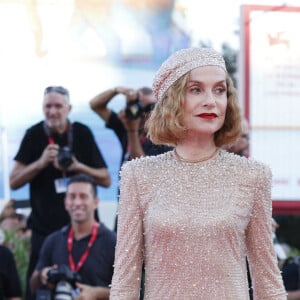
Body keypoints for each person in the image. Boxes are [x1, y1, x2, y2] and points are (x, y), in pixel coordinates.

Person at [109, 47, 287, 299]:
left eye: (219, 90)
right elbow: (125, 283)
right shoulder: (138, 175)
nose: (210, 101)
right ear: (172, 100)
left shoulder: (253, 175)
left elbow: (267, 281)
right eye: (195, 90)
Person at [9, 85, 111, 300]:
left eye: (58, 106)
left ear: (69, 108)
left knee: (89, 288)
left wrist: (77, 166)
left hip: (84, 233)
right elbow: (14, 181)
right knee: (37, 289)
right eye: (48, 106)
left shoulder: (82, 133)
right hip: (45, 232)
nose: (52, 111)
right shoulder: (34, 134)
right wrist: (40, 162)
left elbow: (105, 178)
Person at [30, 173, 116, 300]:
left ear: (96, 202)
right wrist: (43, 274)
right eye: (72, 196)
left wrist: (98, 293)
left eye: (83, 196)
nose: (77, 202)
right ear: (65, 202)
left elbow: (130, 291)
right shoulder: (53, 240)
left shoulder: (113, 242)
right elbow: (32, 287)